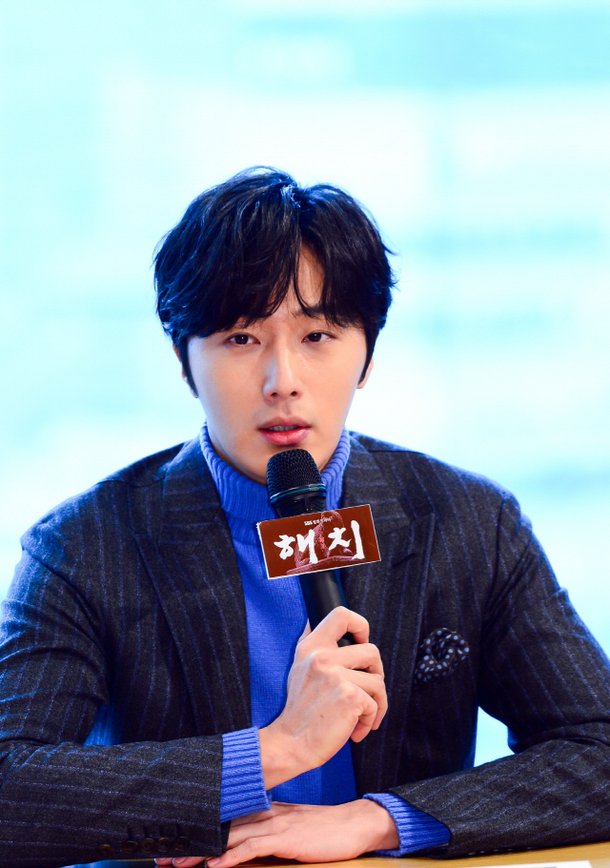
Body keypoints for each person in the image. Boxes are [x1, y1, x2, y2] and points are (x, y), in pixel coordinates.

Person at [0, 168, 608, 868]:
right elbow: (12, 787)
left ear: (367, 353)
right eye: (240, 338)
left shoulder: (468, 522)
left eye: (317, 335)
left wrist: (379, 820)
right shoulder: (85, 546)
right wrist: (276, 749)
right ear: (183, 361)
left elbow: (598, 751)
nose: (282, 380)